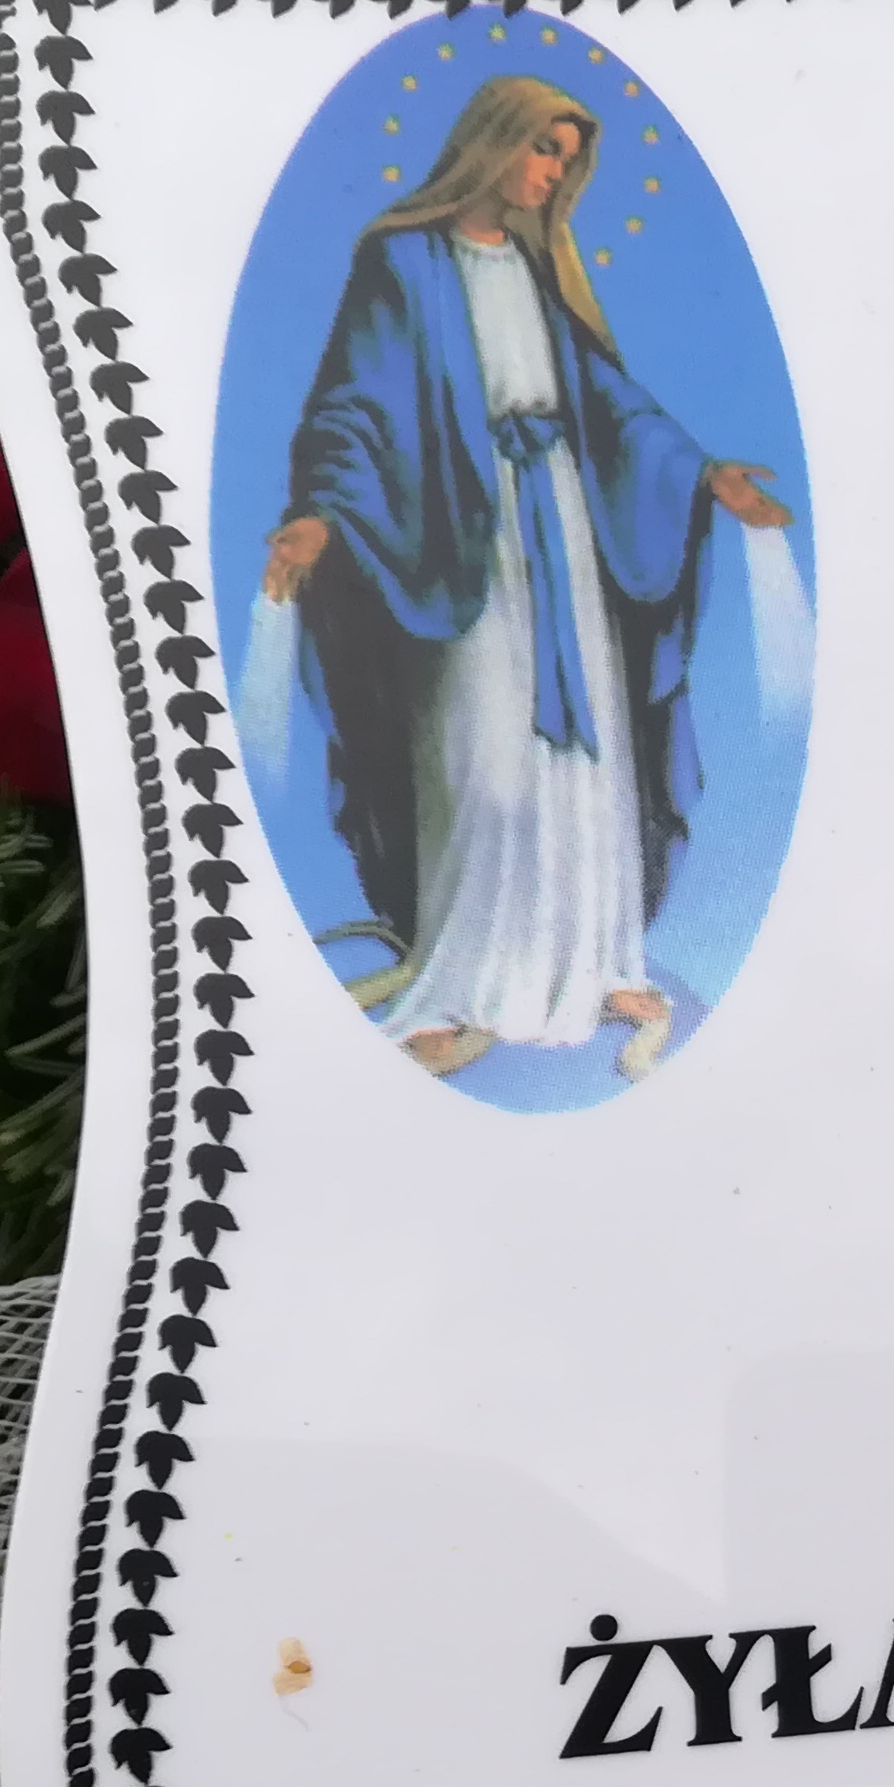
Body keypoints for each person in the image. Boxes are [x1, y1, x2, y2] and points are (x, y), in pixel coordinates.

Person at [263, 73, 792, 1080]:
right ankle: (459, 982)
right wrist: (321, 515)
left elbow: (609, 403)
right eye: (543, 150)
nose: (554, 175)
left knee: (585, 759)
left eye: (566, 158)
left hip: (562, 531)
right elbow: (353, 406)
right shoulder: (402, 261)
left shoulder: (540, 271)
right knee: (485, 760)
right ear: (492, 141)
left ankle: (596, 964)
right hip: (463, 538)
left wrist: (703, 474)